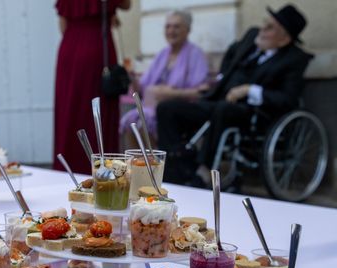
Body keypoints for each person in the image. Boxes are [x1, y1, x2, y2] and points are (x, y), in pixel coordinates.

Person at [156, 4, 312, 186]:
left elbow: (288, 99)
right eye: (265, 23)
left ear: (284, 39)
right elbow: (232, 51)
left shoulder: (293, 60)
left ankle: (205, 169)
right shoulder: (253, 37)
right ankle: (178, 166)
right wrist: (223, 76)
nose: (263, 29)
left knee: (223, 109)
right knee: (167, 108)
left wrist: (249, 90)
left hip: (250, 112)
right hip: (219, 100)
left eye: (270, 28)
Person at [53, 0, 131, 175]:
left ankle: (68, 168)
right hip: (97, 47)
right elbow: (126, 4)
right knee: (100, 109)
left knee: (70, 110)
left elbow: (63, 23)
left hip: (70, 47)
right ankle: (104, 170)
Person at [120, 10, 208, 148]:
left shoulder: (195, 54)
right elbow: (142, 89)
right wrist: (131, 78)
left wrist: (169, 94)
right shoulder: (162, 54)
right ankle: (136, 166)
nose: (171, 31)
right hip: (151, 107)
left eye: (176, 26)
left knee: (143, 123)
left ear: (188, 29)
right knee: (131, 122)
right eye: (168, 26)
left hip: (178, 110)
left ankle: (156, 165)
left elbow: (200, 92)